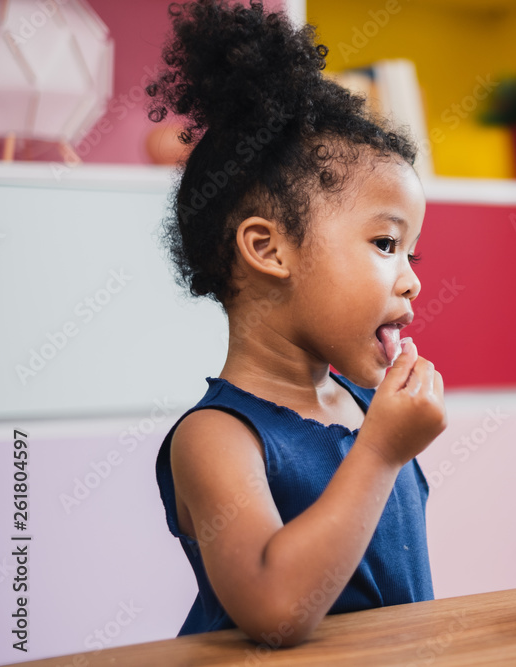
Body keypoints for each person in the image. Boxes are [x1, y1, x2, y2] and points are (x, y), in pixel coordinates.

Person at [148, 0, 446, 647]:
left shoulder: (370, 411)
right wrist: (382, 452)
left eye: (411, 252)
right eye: (386, 244)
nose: (412, 278)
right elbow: (277, 607)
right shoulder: (217, 437)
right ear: (269, 249)